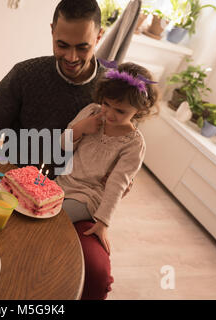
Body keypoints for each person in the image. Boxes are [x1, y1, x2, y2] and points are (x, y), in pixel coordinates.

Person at [56, 62, 159, 299]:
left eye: (120, 111)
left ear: (139, 111)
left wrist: (103, 222)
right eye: (107, 104)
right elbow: (62, 144)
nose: (110, 114)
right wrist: (81, 128)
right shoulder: (93, 112)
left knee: (51, 217)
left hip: (90, 198)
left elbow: (117, 185)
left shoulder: (133, 143)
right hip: (63, 184)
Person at [0, 0, 105, 178]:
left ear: (98, 37)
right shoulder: (25, 74)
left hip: (72, 192)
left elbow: (122, 147)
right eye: (62, 45)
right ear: (52, 31)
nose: (71, 58)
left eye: (82, 48)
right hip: (10, 180)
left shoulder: (112, 90)